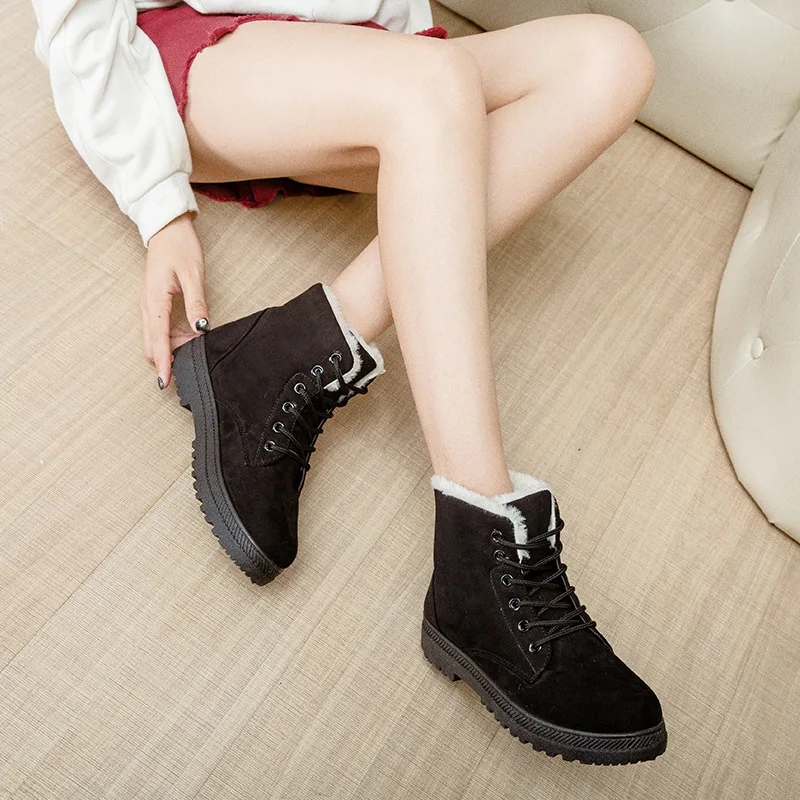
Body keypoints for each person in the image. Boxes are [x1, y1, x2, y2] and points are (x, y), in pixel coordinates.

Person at [31, 0, 666, 765]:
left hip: (366, 62)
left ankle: (285, 357)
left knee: (610, 60)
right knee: (432, 85)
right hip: (198, 51)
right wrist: (159, 209)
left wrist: (417, 111)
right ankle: (481, 533)